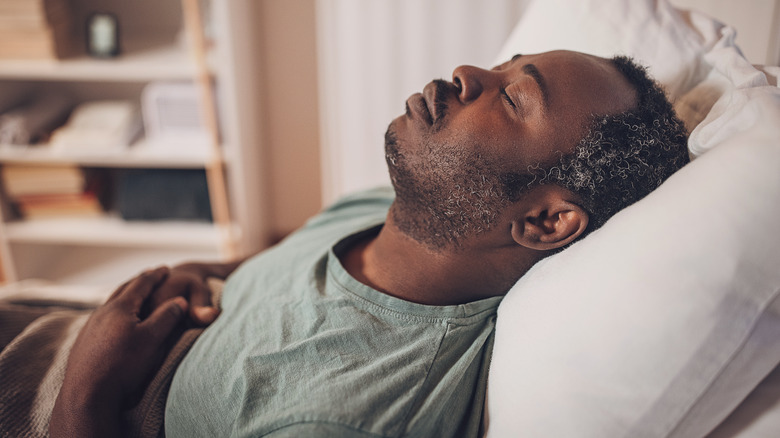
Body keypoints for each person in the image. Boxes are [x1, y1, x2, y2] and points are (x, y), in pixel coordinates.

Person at [50, 50, 689, 437]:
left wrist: (85, 396)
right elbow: (267, 268)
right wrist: (207, 268)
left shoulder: (343, 415)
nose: (466, 73)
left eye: (515, 98)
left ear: (546, 223)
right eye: (499, 69)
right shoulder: (390, 211)